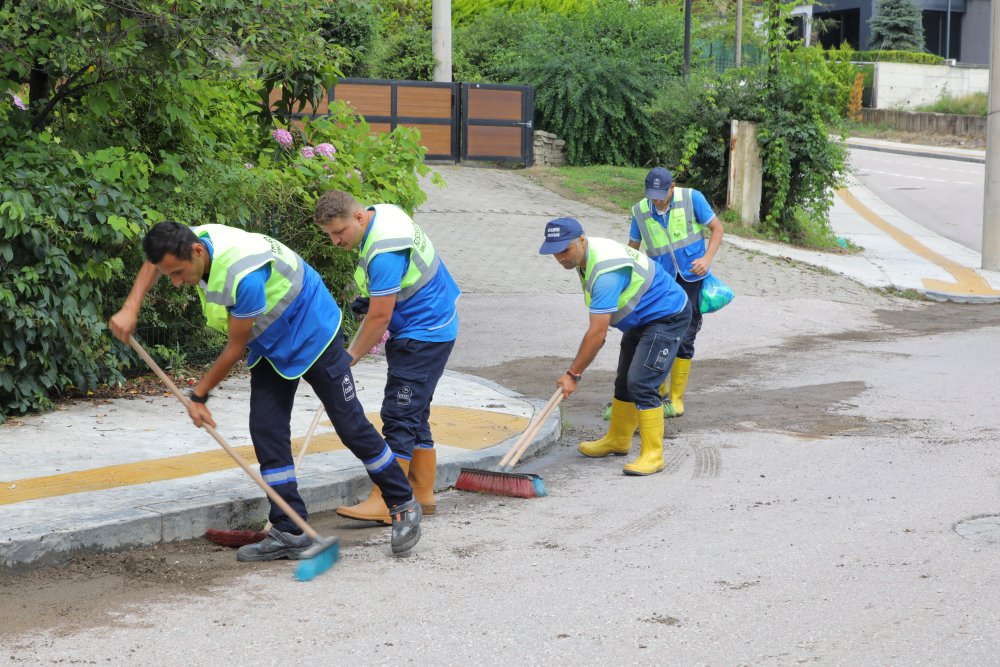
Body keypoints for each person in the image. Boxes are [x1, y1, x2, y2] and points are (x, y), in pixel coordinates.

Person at [108, 221, 421, 559]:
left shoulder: (244, 276)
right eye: (170, 273)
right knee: (266, 429)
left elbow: (234, 348)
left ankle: (403, 503)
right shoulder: (185, 240)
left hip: (313, 328)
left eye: (180, 272)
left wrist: (199, 395)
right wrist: (131, 307)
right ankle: (290, 529)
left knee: (350, 426)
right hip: (271, 337)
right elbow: (154, 264)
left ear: (197, 251)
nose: (177, 281)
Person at [314, 190, 460, 523]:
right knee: (415, 414)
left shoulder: (383, 251)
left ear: (359, 218)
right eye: (330, 235)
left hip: (423, 333)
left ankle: (387, 500)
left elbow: (379, 316)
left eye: (339, 232)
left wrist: (349, 356)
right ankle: (422, 492)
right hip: (433, 326)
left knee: (399, 413)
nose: (336, 241)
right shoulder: (382, 214)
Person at [540, 217, 692, 475]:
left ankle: (654, 454)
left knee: (642, 383)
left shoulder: (606, 272)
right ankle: (619, 439)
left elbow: (598, 334)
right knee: (624, 382)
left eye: (564, 250)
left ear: (581, 240)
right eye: (554, 252)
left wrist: (573, 374)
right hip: (642, 319)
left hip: (666, 317)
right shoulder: (585, 256)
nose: (560, 258)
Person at [626, 166, 724, 418]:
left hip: (691, 277)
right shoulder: (640, 210)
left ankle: (677, 399)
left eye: (661, 193)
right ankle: (659, 387)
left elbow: (717, 228)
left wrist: (707, 258)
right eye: (651, 194)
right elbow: (633, 249)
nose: (656, 199)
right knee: (654, 331)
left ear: (672, 187)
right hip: (660, 281)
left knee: (686, 334)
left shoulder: (692, 198)